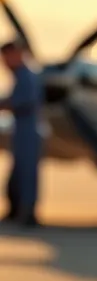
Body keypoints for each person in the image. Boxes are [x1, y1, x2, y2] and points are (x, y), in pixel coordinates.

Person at [0, 39, 44, 227]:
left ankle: (28, 214)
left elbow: (21, 102)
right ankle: (16, 211)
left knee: (27, 173)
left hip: (28, 132)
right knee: (18, 173)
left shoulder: (26, 77)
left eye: (6, 57)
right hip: (20, 130)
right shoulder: (20, 76)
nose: (4, 62)